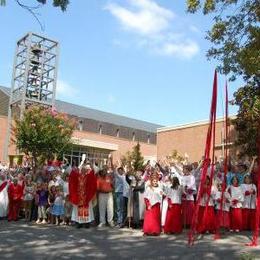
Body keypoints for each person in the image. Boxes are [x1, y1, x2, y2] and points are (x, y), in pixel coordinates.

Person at [69, 161, 97, 228]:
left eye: (85, 170)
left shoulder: (88, 176)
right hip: (79, 196)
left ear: (86, 171)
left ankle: (86, 223)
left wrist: (91, 165)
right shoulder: (77, 176)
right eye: (82, 170)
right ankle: (80, 223)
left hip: (86, 196)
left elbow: (92, 176)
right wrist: (74, 168)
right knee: (79, 209)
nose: (83, 171)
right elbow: (72, 177)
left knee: (86, 209)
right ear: (80, 171)